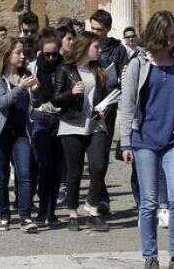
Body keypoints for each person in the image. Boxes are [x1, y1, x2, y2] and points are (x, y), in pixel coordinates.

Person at [118, 11, 174, 269]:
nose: (171, 43)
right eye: (167, 38)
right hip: (144, 140)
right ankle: (150, 257)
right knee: (149, 202)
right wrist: (125, 142)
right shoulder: (138, 64)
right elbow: (126, 105)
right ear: (156, 37)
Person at [54, 30, 119, 232]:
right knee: (74, 171)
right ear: (85, 47)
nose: (99, 51)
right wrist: (71, 93)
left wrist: (106, 106)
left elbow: (107, 95)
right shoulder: (66, 69)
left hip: (96, 124)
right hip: (72, 125)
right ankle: (73, 213)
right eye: (96, 47)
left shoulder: (99, 70)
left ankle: (92, 209)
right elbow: (56, 99)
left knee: (99, 166)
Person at [0, 37, 40, 231]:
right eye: (18, 53)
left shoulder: (26, 74)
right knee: (1, 176)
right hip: (0, 133)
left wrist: (35, 92)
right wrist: (20, 88)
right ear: (7, 55)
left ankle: (25, 216)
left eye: (23, 53)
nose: (22, 56)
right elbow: (2, 102)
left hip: (20, 132)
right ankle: (4, 216)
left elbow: (35, 103)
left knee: (25, 174)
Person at [29, 32, 63, 227]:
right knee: (44, 166)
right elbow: (31, 100)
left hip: (60, 119)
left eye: (54, 54)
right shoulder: (33, 68)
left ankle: (52, 211)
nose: (51, 58)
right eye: (47, 54)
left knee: (57, 168)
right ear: (41, 52)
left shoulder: (64, 67)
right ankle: (42, 209)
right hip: (40, 119)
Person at [89, 9, 129, 174]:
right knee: (89, 147)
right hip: (88, 101)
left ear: (108, 29)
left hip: (108, 103)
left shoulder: (118, 50)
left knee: (103, 147)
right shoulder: (86, 46)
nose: (95, 33)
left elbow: (124, 77)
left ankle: (99, 187)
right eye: (93, 29)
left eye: (99, 30)